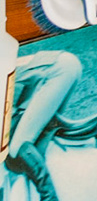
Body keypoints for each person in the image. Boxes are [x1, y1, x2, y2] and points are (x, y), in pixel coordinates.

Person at [5, 49, 81, 201]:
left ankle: (49, 198)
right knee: (38, 135)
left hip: (58, 71)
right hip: (68, 63)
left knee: (16, 148)